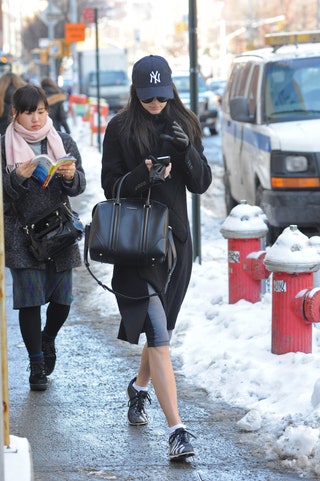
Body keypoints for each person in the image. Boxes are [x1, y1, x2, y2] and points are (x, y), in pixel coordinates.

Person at [100, 55, 212, 460]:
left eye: (161, 95)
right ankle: (177, 431)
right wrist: (143, 174)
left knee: (160, 334)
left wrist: (185, 153)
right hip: (135, 246)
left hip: (175, 247)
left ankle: (140, 387)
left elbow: (200, 184)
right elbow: (110, 184)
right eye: (148, 97)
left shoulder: (184, 123)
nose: (155, 103)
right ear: (136, 91)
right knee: (159, 336)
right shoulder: (119, 128)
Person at [2, 84, 86, 391]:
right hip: (21, 233)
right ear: (15, 114)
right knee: (29, 302)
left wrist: (69, 176)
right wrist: (16, 178)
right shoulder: (4, 146)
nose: (36, 119)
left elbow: (80, 185)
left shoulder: (62, 141)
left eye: (40, 111)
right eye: (28, 113)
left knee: (63, 301)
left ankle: (47, 339)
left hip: (58, 232)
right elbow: (2, 195)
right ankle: (36, 364)